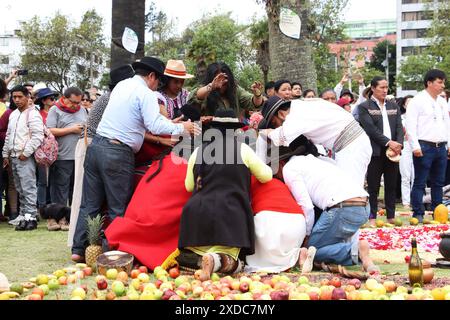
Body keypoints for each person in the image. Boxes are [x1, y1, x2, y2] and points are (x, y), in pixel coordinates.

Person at [71, 57, 200, 262]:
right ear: (151, 77)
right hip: (117, 152)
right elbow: (155, 126)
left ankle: (78, 250)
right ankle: (111, 252)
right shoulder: (146, 93)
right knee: (118, 207)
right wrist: (181, 127)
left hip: (96, 148)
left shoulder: (122, 85)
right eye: (158, 82)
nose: (158, 86)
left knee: (90, 204)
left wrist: (167, 122)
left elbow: (133, 118)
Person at [177, 109, 272, 281]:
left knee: (189, 256)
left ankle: (200, 260)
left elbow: (189, 186)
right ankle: (218, 260)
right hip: (230, 216)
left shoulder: (198, 151)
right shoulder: (243, 149)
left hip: (196, 217)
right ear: (235, 130)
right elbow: (266, 176)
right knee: (237, 264)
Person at [67, 65, 135, 247]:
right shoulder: (114, 98)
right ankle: (83, 242)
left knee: (89, 203)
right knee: (84, 199)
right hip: (89, 143)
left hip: (93, 146)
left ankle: (80, 246)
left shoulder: (110, 96)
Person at [282, 153, 378, 273]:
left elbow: (307, 206)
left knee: (311, 251)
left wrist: (306, 235)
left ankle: (356, 251)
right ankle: (360, 254)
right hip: (364, 206)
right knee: (324, 245)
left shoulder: (289, 168)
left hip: (343, 207)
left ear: (281, 162)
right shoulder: (320, 161)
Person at [259, 95, 372, 188]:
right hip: (352, 144)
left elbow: (281, 138)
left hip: (351, 146)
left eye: (275, 123)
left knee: (351, 194)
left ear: (281, 114)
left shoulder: (295, 115)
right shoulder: (303, 105)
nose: (276, 127)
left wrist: (266, 132)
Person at [359, 77, 404, 224]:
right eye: (381, 87)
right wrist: (389, 142)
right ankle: (372, 216)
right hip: (375, 152)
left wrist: (399, 144)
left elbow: (399, 127)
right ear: (373, 88)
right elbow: (371, 130)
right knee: (373, 186)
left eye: (386, 88)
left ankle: (390, 216)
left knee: (391, 185)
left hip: (393, 152)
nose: (385, 90)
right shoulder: (365, 107)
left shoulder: (393, 105)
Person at [406, 69, 449, 223]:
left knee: (439, 182)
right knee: (420, 181)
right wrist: (415, 146)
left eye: (443, 82)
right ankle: (418, 212)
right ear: (429, 83)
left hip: (441, 146)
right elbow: (410, 125)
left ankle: (438, 212)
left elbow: (447, 124)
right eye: (439, 82)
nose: (442, 85)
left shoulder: (442, 101)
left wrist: (448, 144)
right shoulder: (417, 100)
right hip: (424, 146)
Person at [2, 85, 44, 231]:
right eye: (14, 97)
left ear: (28, 97)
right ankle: (24, 216)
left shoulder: (33, 114)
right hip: (14, 156)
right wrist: (5, 154)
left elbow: (38, 136)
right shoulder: (13, 114)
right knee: (20, 189)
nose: (17, 99)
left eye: (20, 96)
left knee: (29, 188)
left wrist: (26, 153)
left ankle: (31, 218)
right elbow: (8, 136)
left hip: (24, 157)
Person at [46, 87, 87, 231]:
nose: (76, 105)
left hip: (79, 156)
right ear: (64, 98)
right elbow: (49, 130)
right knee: (59, 190)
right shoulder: (54, 110)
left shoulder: (82, 110)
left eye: (78, 102)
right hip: (62, 156)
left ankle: (70, 219)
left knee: (74, 190)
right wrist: (71, 129)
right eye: (73, 102)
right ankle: (56, 219)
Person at [187, 62, 264, 117]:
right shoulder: (205, 89)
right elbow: (195, 96)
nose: (221, 83)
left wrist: (257, 95)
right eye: (218, 79)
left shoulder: (235, 90)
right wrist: (212, 86)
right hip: (209, 136)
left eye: (224, 79)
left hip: (232, 136)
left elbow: (254, 103)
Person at [34, 88, 58, 215]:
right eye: (51, 98)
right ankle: (42, 208)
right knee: (42, 181)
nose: (54, 101)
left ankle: (52, 206)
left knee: (54, 181)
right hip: (42, 153)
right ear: (43, 101)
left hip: (56, 152)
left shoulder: (57, 113)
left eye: (54, 98)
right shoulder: (38, 115)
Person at [397, 95, 414, 209]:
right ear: (404, 105)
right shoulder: (400, 118)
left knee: (416, 176)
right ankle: (406, 201)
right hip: (405, 147)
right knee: (406, 175)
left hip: (418, 146)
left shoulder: (420, 118)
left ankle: (416, 199)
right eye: (409, 103)